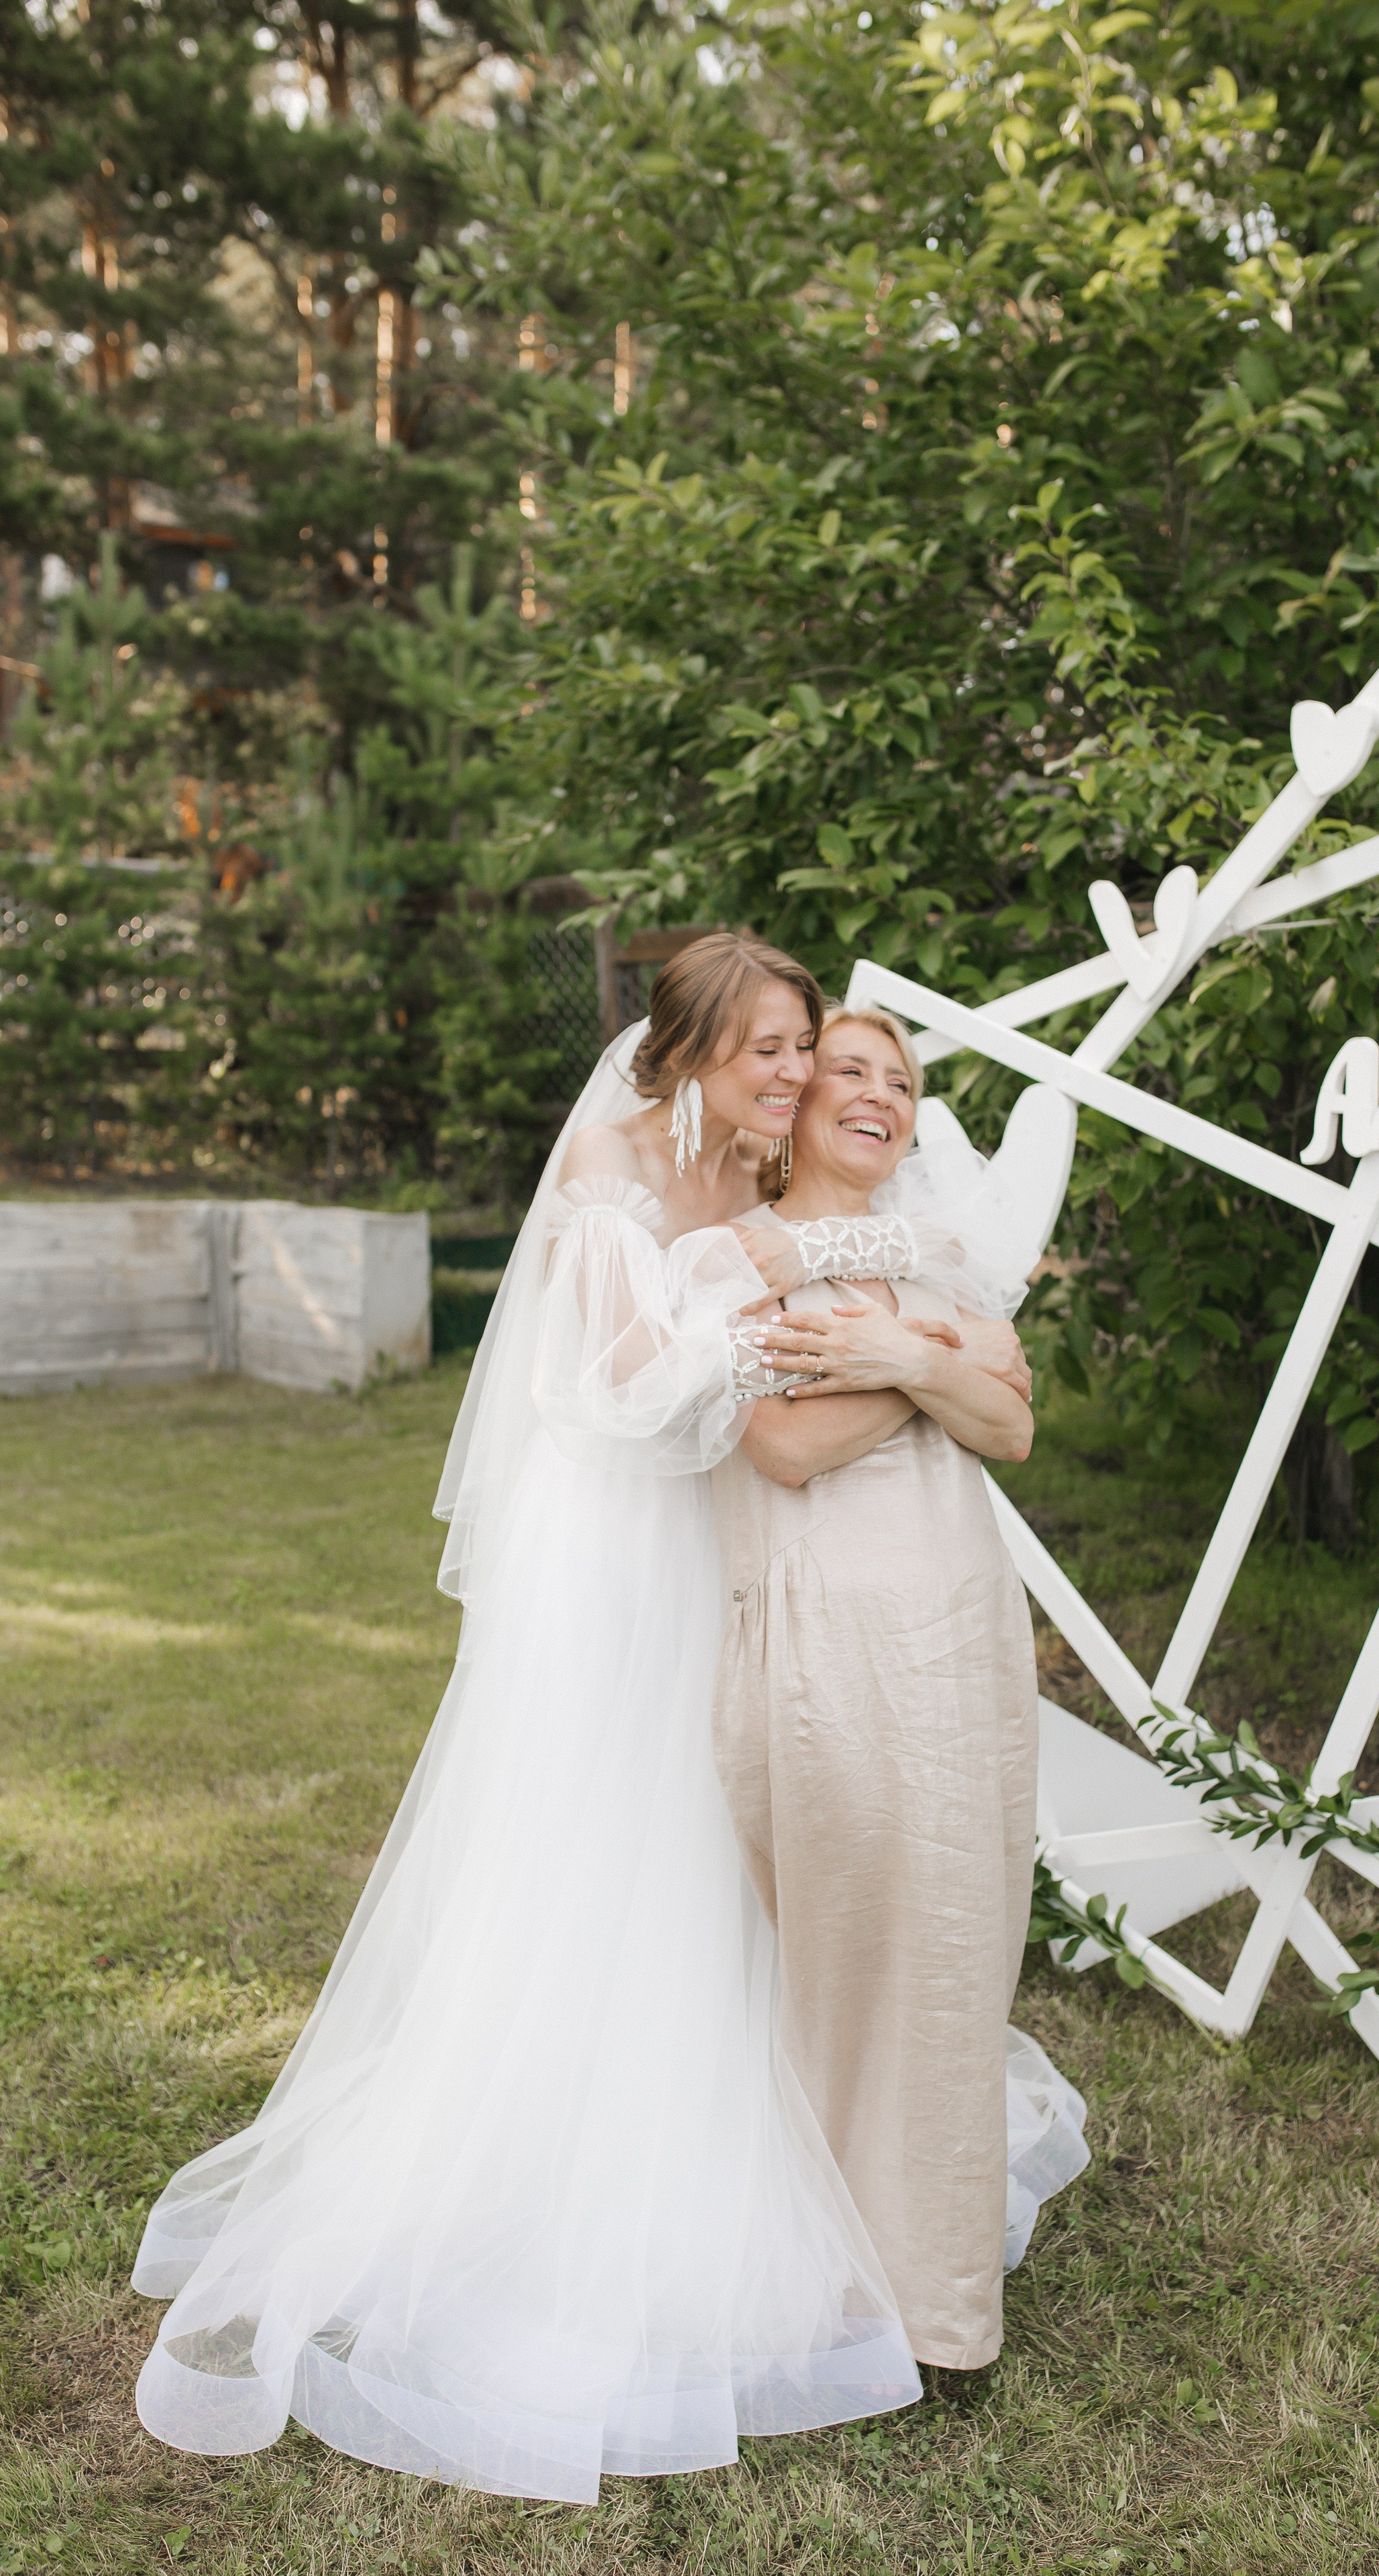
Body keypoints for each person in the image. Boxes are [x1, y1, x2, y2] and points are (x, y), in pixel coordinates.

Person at [131, 934, 945, 2504]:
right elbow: (619, 1387)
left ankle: (731, 2114)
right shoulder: (609, 1163)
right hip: (606, 1540)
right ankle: (560, 2160)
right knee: (606, 1820)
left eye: (804, 1050)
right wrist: (753, 1333)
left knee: (709, 1824)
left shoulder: (768, 1178)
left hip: (704, 1523)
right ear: (690, 1047)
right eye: (770, 1050)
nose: (795, 1076)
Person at [712, 1006, 1090, 2385]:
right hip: (830, 1648)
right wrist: (936, 1366)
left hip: (963, 1637)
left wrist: (912, 1357)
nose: (878, 1096)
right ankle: (853, 2291)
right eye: (848, 1074)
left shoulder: (933, 1272)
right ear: (798, 1101)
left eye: (902, 1082)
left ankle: (930, 2286)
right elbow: (787, 1447)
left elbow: (1015, 1424)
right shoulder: (736, 1262)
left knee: (958, 1953)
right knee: (857, 1954)